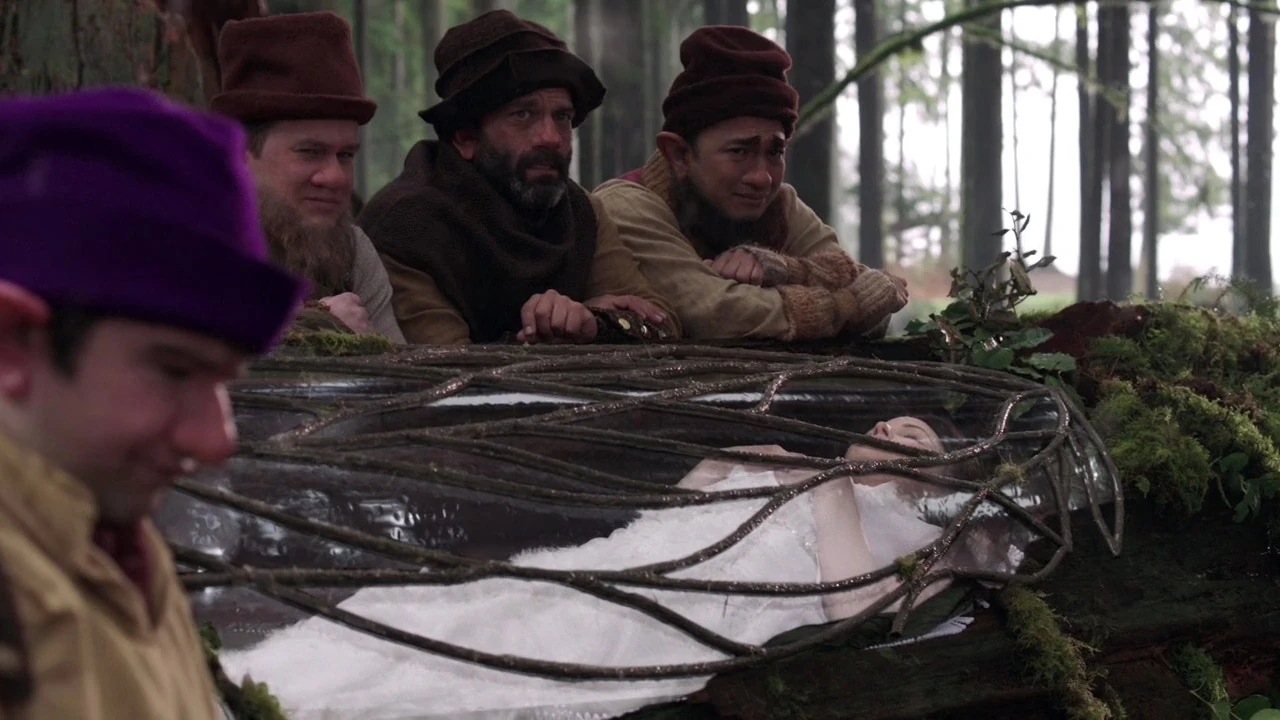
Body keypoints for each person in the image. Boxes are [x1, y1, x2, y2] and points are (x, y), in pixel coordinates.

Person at [217, 415, 1015, 719]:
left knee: (501, 663)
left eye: (916, 438)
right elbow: (671, 510)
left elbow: (858, 613)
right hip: (619, 563)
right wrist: (735, 460)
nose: (892, 431)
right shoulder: (792, 467)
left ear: (939, 478)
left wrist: (829, 491)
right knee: (453, 610)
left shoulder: (907, 527)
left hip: (687, 612)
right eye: (889, 422)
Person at [0, 88, 305, 719]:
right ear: (12, 343)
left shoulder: (116, 545)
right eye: (175, 370)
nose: (217, 438)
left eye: (223, 382)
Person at [358, 10, 681, 345]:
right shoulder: (407, 226)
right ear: (466, 138)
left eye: (562, 117)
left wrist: (596, 323)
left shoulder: (582, 213)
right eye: (523, 114)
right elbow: (447, 365)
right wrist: (543, 337)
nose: (551, 138)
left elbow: (662, 321)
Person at [594, 26, 909, 342]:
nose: (763, 177)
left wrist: (781, 268)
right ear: (679, 154)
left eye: (775, 152)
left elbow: (853, 284)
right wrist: (851, 306)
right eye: (739, 151)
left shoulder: (779, 204)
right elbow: (716, 313)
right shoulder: (626, 206)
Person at [211, 11, 405, 343]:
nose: (335, 177)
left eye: (346, 155)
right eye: (310, 152)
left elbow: (402, 367)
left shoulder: (352, 250)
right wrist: (314, 324)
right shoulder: (187, 240)